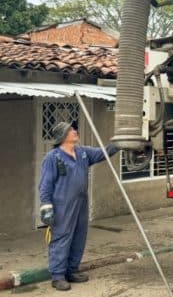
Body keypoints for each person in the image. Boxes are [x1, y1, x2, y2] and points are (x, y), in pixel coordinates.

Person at [39, 122, 118, 291]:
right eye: (71, 130)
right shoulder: (53, 157)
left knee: (79, 236)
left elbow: (102, 153)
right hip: (62, 205)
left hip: (81, 203)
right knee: (61, 237)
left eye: (74, 129)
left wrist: (118, 144)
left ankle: (72, 270)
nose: (75, 131)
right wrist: (46, 206)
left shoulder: (82, 153)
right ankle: (58, 276)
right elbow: (45, 184)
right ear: (62, 136)